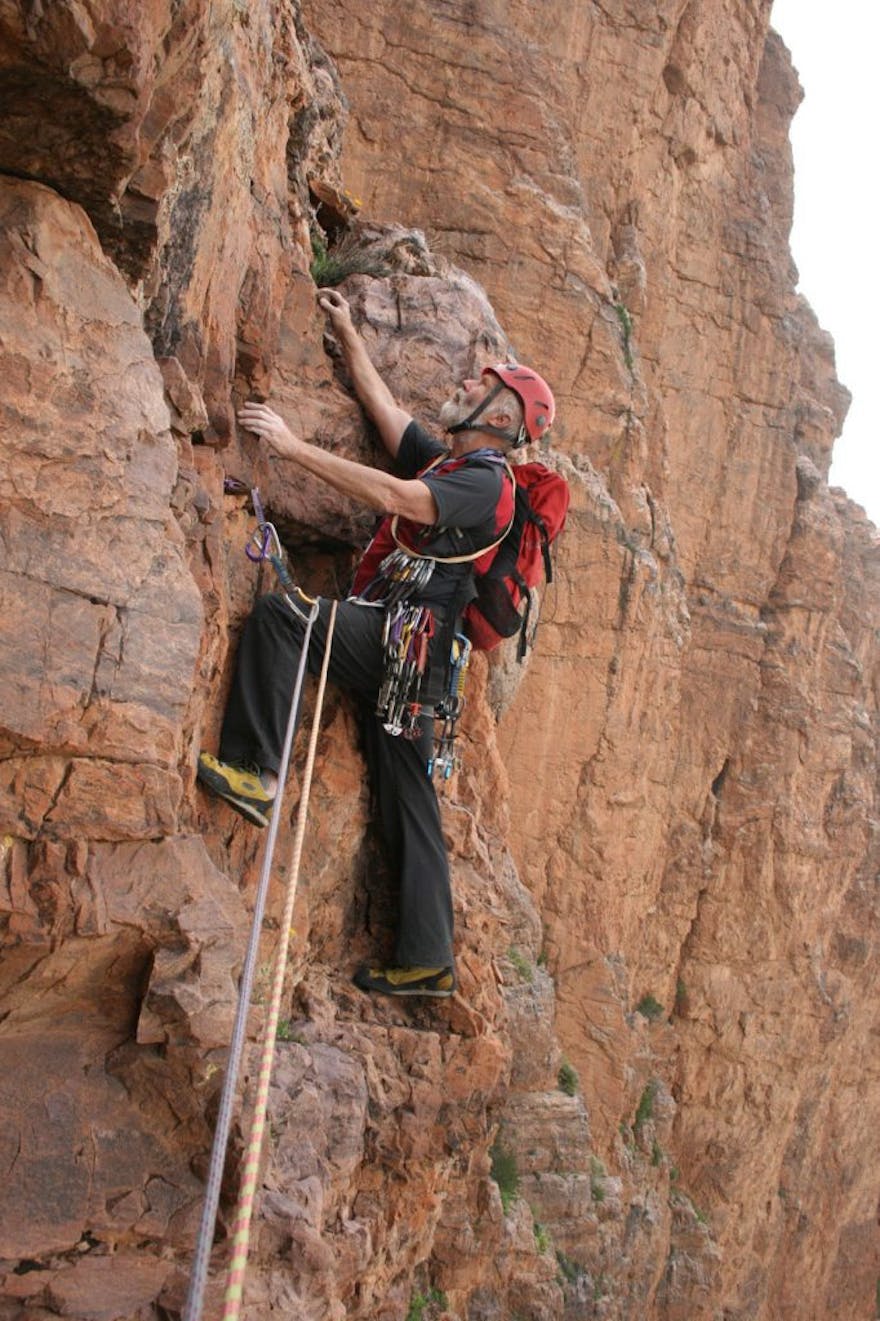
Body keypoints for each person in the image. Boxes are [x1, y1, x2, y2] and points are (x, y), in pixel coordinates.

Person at [197, 287, 556, 997]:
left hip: (399, 640)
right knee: (407, 798)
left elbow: (396, 500)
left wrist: (293, 448)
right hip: (421, 665)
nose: (464, 385)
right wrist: (346, 331)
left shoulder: (486, 485)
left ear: (501, 417)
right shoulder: (448, 463)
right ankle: (428, 958)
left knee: (284, 619)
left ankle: (254, 774)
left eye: (479, 386)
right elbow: (385, 411)